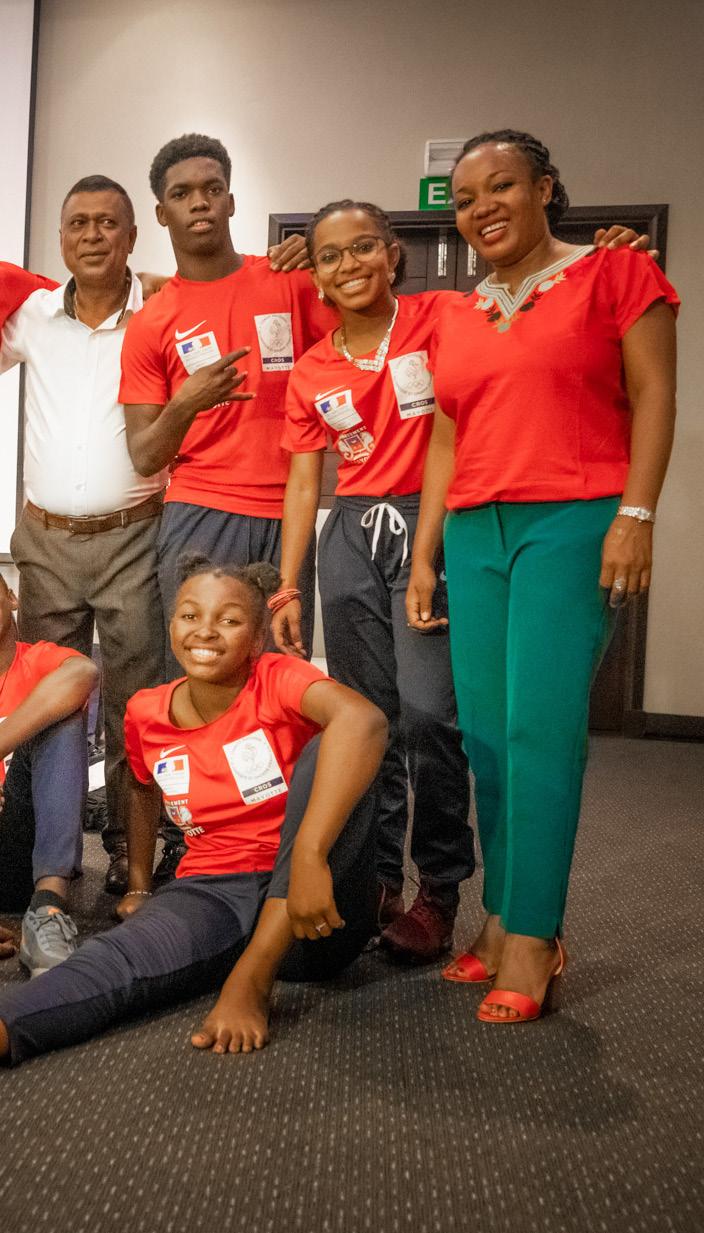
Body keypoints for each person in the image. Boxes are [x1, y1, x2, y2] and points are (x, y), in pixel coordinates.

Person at [407, 130, 679, 1024]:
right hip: (474, 529)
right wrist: (426, 549)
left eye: (501, 187)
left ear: (545, 189)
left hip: (572, 518)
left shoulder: (617, 273)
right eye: (464, 198)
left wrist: (636, 515)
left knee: (540, 729)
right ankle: (497, 916)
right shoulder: (456, 313)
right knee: (485, 735)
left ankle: (534, 932)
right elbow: (446, 434)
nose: (481, 207)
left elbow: (656, 395)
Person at [0, 555, 387, 1065]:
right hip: (213, 888)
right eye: (189, 615)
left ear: (258, 639)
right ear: (172, 626)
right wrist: (140, 886)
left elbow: (365, 721)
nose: (205, 630)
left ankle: (252, 979)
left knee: (332, 746)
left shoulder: (277, 678)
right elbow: (141, 790)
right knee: (116, 957)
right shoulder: (148, 711)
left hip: (315, 911)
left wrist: (311, 857)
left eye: (229, 619)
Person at [275, 201, 473, 962]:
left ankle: (441, 886)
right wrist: (287, 585)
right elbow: (304, 483)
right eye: (330, 255)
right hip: (351, 532)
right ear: (317, 275)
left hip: (430, 523)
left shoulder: (441, 317)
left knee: (428, 716)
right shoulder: (312, 369)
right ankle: (381, 876)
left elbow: (531, 297)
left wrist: (610, 254)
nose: (348, 264)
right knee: (367, 718)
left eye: (363, 247)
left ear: (392, 254)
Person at [0, 177, 169, 896]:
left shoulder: (160, 310)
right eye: (78, 224)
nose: (92, 234)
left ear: (132, 236)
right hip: (45, 542)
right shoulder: (33, 317)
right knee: (45, 704)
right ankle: (47, 866)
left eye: (107, 223)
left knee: (136, 705)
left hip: (134, 537)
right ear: (61, 239)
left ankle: (130, 855)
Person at [121, 134, 337, 677]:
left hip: (288, 513)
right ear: (162, 213)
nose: (199, 202)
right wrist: (185, 404)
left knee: (282, 673)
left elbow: (359, 356)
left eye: (212, 189)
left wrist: (323, 257)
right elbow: (145, 456)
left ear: (231, 201)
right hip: (200, 512)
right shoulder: (151, 322)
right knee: (200, 671)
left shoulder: (290, 281)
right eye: (182, 193)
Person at [0, 573, 99, 976]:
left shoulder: (37, 659)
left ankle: (48, 909)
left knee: (64, 717)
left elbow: (84, 673)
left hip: (26, 845)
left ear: (12, 597)